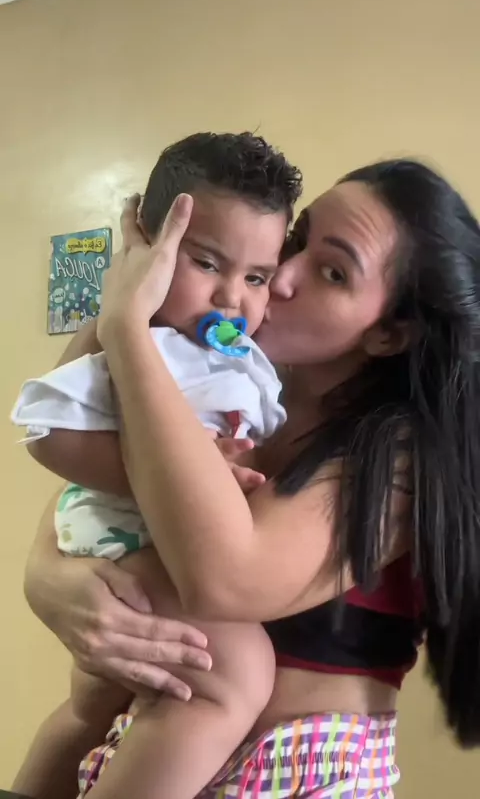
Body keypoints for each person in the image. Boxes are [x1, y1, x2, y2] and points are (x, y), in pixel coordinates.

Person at [17, 158, 480, 798]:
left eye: (333, 273)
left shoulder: (399, 451)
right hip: (133, 747)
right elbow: (92, 491)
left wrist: (124, 327)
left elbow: (225, 576)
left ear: (388, 333)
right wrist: (50, 578)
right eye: (297, 241)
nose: (281, 277)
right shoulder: (229, 382)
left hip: (299, 775)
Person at [11, 131, 303, 799]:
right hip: (122, 536)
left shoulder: (242, 359)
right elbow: (48, 432)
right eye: (206, 262)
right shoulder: (150, 342)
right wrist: (184, 477)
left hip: (172, 550)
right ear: (148, 248)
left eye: (256, 277)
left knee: (99, 706)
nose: (232, 298)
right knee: (236, 669)